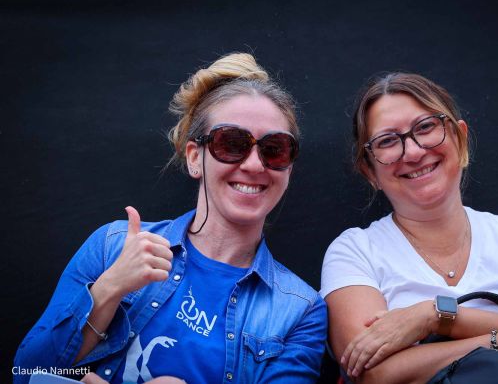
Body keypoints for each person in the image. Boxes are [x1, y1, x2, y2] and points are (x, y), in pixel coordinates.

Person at [14, 52, 327, 384]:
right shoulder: (113, 247)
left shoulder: (300, 311)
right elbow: (25, 374)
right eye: (232, 144)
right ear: (194, 158)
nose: (253, 164)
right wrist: (109, 289)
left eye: (274, 149)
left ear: (289, 168)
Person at [320, 72, 498, 383]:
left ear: (460, 137)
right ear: (369, 171)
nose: (413, 152)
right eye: (387, 141)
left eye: (425, 127)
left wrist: (433, 317)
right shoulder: (354, 252)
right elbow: (372, 374)